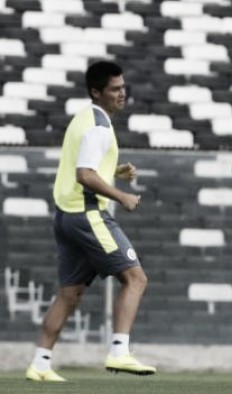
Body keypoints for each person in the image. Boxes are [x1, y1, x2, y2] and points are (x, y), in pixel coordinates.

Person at [26, 61, 155, 382]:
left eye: (123, 87)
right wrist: (121, 196)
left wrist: (114, 172)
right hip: (87, 214)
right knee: (136, 278)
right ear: (96, 92)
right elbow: (84, 175)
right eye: (115, 89)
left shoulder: (85, 118)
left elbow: (83, 166)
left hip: (66, 216)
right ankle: (119, 352)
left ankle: (40, 364)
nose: (122, 93)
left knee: (70, 293)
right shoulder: (99, 125)